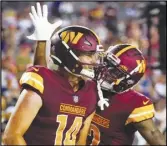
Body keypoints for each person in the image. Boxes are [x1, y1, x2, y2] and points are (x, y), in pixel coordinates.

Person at [2, 3, 106, 145]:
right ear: (69, 56)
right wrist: (42, 41)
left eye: (95, 55)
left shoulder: (91, 90)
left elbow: (80, 141)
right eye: (88, 55)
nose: (94, 61)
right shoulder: (42, 81)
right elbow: (11, 137)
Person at [87, 44, 166, 145]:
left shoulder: (134, 103)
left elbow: (154, 135)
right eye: (106, 64)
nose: (105, 71)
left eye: (115, 71)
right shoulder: (88, 85)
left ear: (128, 80)